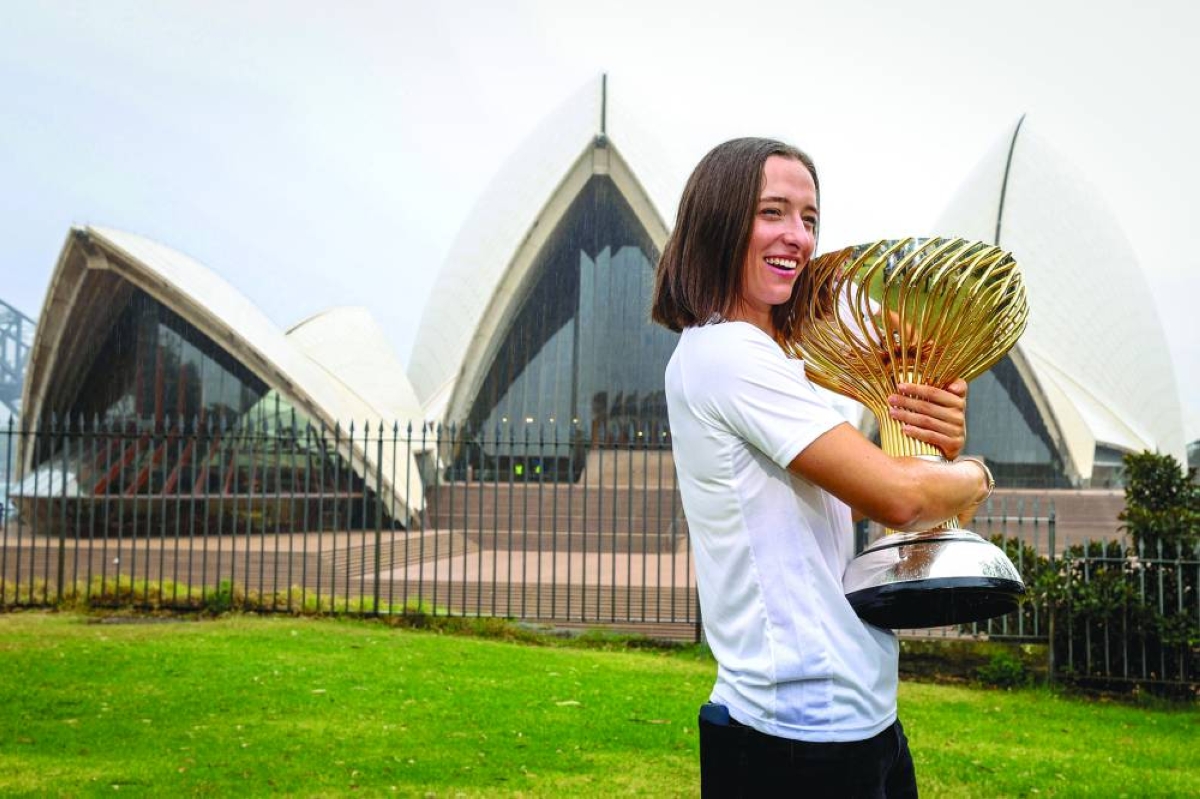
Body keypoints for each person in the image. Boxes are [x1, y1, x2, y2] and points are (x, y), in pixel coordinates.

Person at [651, 138, 992, 797]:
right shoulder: (726, 354)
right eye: (772, 212)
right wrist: (976, 473)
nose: (797, 236)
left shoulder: (776, 365)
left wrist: (939, 443)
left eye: (810, 218)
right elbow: (898, 497)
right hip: (795, 739)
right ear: (719, 221)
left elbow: (880, 503)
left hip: (863, 715)